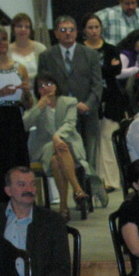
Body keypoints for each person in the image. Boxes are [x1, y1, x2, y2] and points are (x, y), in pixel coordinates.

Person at [37, 15, 103, 187]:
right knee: (68, 156)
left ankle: (89, 192)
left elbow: (97, 84)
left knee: (89, 157)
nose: (67, 33)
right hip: (61, 115)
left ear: (76, 32)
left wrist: (88, 104)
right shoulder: (46, 56)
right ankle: (75, 190)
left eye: (71, 30)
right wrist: (65, 105)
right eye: (63, 30)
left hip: (87, 113)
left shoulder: (90, 54)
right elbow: (43, 86)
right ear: (56, 33)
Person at [23, 72, 90, 217]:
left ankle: (63, 207)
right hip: (45, 147)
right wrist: (39, 107)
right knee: (58, 150)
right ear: (37, 90)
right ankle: (77, 189)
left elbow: (70, 123)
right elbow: (24, 125)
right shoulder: (36, 105)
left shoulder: (69, 101)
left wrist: (57, 137)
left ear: (56, 85)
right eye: (41, 86)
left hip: (68, 143)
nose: (46, 88)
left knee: (56, 159)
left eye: (49, 84)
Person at [0, 24, 31, 204]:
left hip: (15, 117)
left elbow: (28, 104)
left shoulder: (20, 68)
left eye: (3, 39)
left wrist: (26, 93)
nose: (1, 43)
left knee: (18, 160)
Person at [82, 12, 126, 195]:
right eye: (90, 27)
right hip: (89, 98)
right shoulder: (81, 50)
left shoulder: (110, 49)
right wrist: (106, 68)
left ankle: (110, 180)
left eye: (96, 27)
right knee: (92, 140)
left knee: (107, 137)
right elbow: (86, 73)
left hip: (111, 99)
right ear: (84, 30)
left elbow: (117, 69)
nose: (94, 31)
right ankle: (93, 180)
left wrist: (101, 70)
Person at [8, 12, 47, 79]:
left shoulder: (41, 49)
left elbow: (47, 73)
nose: (23, 29)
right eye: (19, 26)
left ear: (30, 30)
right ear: (13, 29)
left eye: (27, 27)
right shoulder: (7, 50)